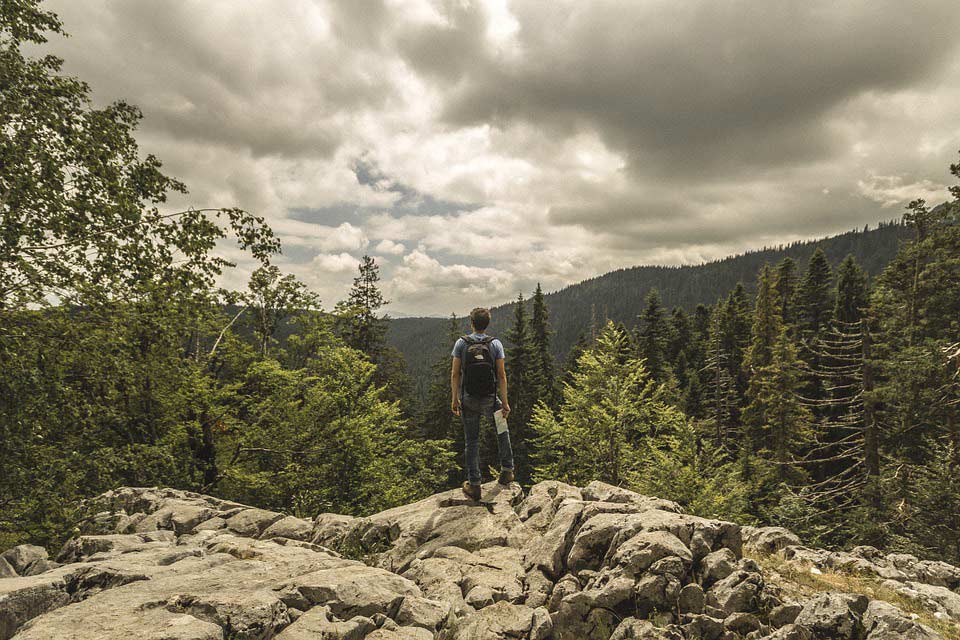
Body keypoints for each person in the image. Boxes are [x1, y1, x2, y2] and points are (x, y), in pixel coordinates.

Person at [451, 307, 514, 501]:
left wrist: (455, 399)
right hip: (490, 399)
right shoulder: (495, 344)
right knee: (502, 431)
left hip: (469, 400)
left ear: (471, 323)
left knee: (472, 441)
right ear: (487, 323)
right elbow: (501, 375)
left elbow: (455, 374)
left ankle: (475, 484)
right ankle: (507, 471)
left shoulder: (461, 343)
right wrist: (504, 403)